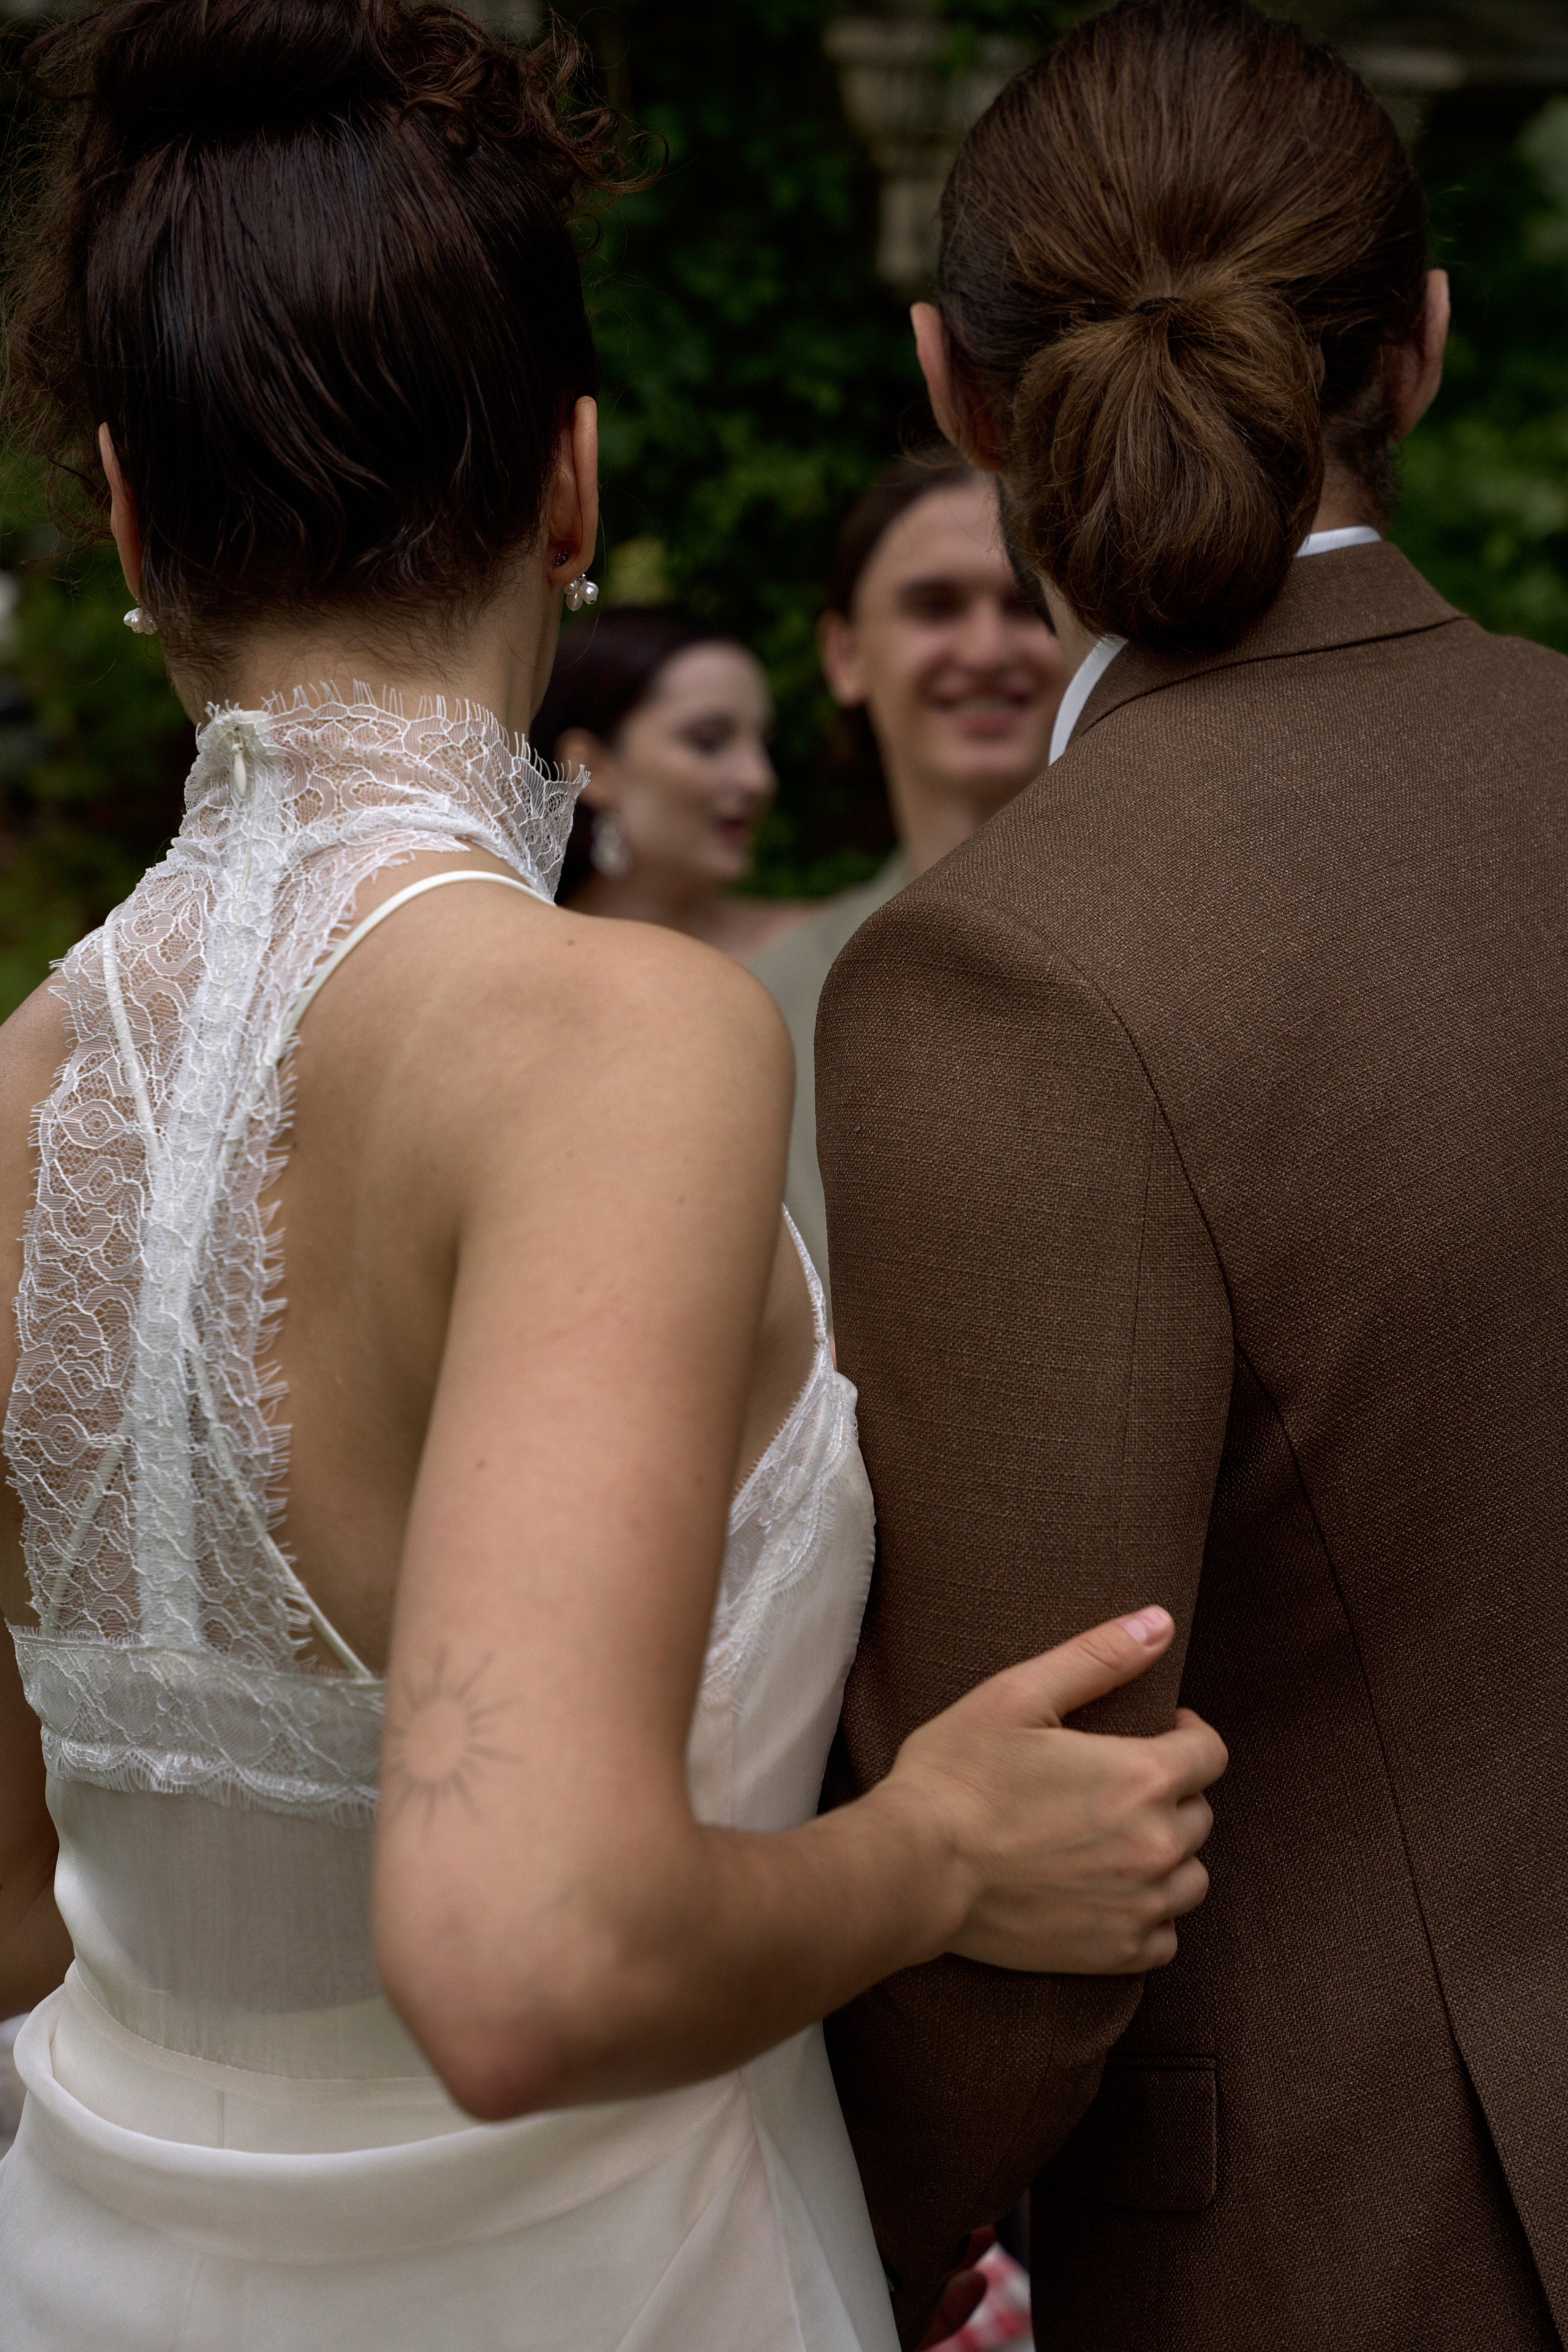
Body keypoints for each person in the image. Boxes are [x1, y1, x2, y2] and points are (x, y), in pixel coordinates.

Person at [0, 4, 1229, 2349]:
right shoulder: (606, 1040)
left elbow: (8, 1909)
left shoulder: (11, 1098)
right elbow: (524, 1957)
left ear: (133, 513)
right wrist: (931, 1851)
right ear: (573, 484)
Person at [815, 2, 1568, 2346]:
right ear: (1418, 351)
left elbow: (1037, 1821)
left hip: (1357, 2247)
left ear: (953, 387)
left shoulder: (1012, 971)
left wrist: (872, 2221)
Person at [748, 456, 1064, 1300]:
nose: (987, 648)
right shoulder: (768, 1011)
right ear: (845, 654)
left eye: (1027, 606)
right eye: (934, 606)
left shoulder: (1199, 956)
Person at [537, 603, 806, 959]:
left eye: (764, 745)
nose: (759, 779)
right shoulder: (517, 960)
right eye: (709, 741)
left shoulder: (831, 951)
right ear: (592, 767)